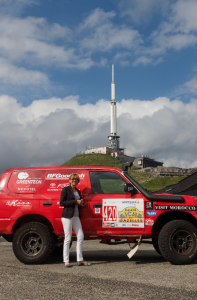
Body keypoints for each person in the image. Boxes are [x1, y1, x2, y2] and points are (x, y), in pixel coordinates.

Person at [60, 173, 91, 267]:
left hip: (76, 216)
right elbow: (62, 202)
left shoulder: (78, 191)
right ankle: (66, 261)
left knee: (80, 236)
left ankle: (80, 259)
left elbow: (78, 205)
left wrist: (80, 202)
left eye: (76, 179)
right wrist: (75, 201)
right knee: (68, 238)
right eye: (73, 179)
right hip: (67, 216)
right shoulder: (65, 189)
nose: (74, 180)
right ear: (69, 180)